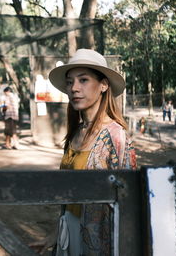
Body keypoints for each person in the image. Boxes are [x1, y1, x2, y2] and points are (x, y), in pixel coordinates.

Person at [30, 49, 137, 255]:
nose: (74, 88)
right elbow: (71, 201)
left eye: (83, 80)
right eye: (70, 82)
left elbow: (128, 204)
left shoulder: (116, 136)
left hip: (100, 242)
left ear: (103, 85)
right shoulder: (75, 132)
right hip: (68, 232)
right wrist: (54, 235)